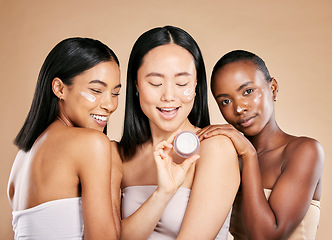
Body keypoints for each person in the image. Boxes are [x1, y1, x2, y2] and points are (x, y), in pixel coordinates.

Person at [110, 26, 240, 240]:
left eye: (182, 83)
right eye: (155, 83)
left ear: (197, 84)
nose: (169, 96)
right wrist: (163, 193)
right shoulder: (119, 155)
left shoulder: (215, 148)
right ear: (136, 85)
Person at [197, 50, 324, 240]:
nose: (239, 108)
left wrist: (249, 155)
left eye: (247, 91)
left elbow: (265, 236)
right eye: (225, 101)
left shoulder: (304, 151)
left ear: (273, 88)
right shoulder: (228, 159)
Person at [7, 37, 121, 240]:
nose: (109, 104)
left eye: (115, 93)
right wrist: (114, 173)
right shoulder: (91, 144)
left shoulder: (23, 156)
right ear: (59, 88)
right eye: (96, 90)